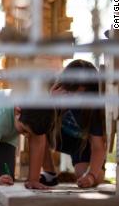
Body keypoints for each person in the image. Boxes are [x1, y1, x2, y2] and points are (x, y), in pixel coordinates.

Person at [40, 59, 106, 188]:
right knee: (36, 127)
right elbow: (33, 122)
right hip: (59, 137)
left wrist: (91, 176)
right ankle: (49, 173)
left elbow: (98, 146)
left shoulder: (94, 108)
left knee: (90, 178)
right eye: (70, 91)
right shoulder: (52, 90)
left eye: (80, 94)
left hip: (83, 144)